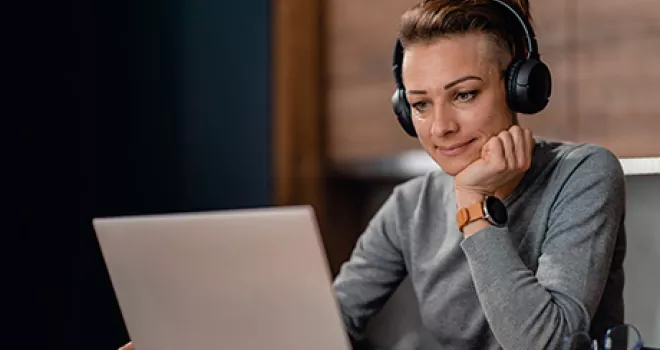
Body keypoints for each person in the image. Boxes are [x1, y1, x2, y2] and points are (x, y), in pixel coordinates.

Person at [119, 0, 626, 349]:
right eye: (421, 104)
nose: (442, 127)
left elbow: (545, 343)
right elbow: (330, 324)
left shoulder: (581, 175)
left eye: (465, 94)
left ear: (519, 87)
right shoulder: (411, 206)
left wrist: (473, 204)